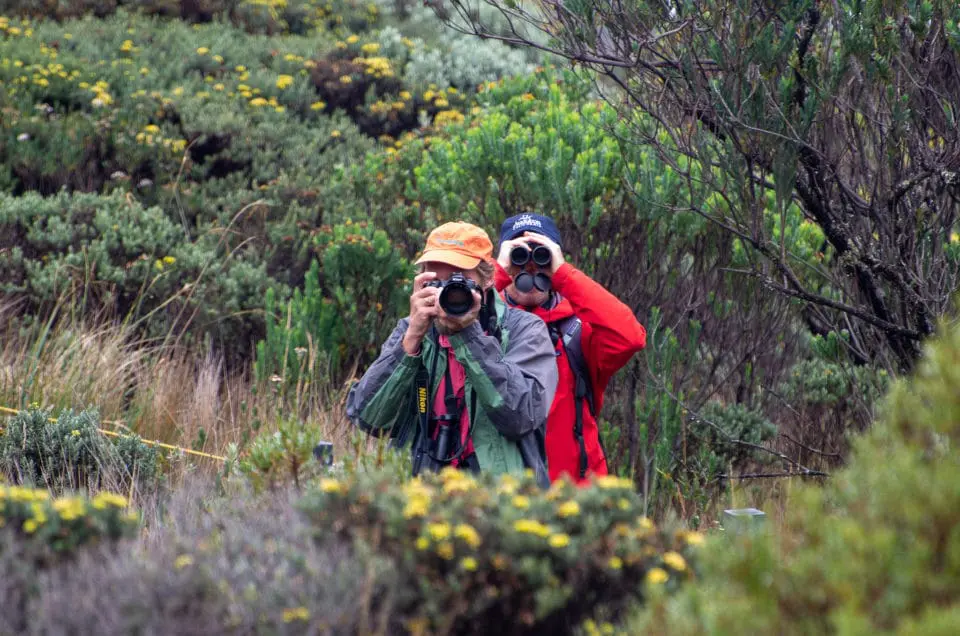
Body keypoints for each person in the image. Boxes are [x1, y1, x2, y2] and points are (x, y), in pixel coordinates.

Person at [346, 221, 559, 488]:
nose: (448, 289)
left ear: (488, 278)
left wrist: (468, 335)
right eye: (436, 280)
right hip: (420, 496)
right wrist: (411, 339)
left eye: (458, 278)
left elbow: (521, 416)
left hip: (501, 504)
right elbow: (367, 417)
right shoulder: (411, 332)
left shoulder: (523, 330)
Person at [494, 213, 646, 485]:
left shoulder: (577, 330)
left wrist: (564, 275)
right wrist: (498, 272)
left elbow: (630, 337)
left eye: (540, 257)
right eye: (518, 256)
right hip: (503, 498)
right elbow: (447, 329)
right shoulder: (482, 326)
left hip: (574, 496)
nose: (530, 267)